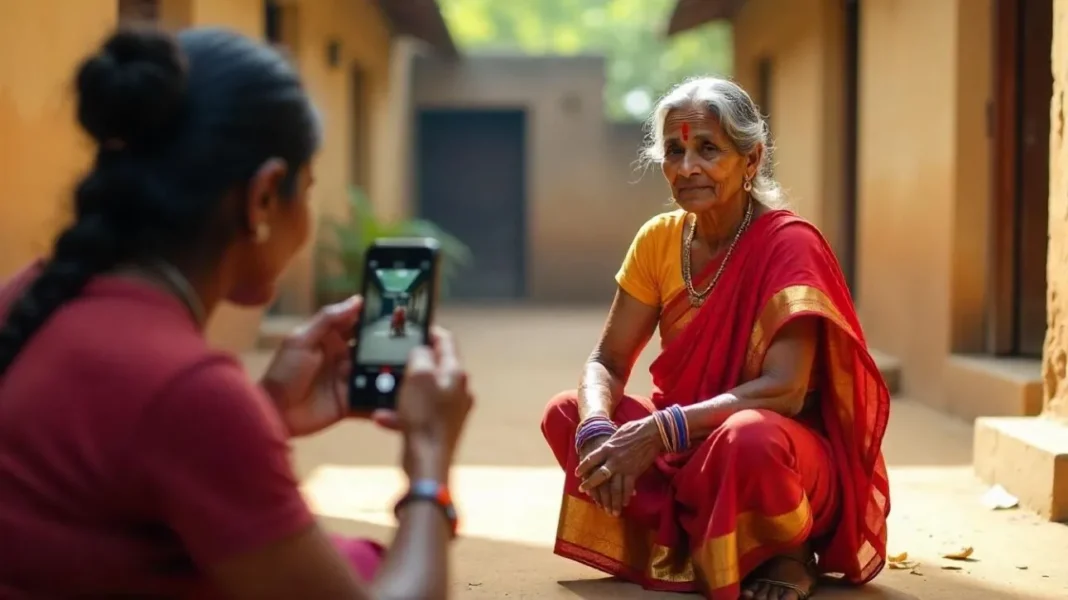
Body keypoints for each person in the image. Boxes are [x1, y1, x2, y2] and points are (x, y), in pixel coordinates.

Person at [0, 27, 472, 599]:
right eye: (311, 188)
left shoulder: (29, 293)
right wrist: (429, 468)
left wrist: (264, 410)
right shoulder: (185, 389)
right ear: (265, 197)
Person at [540, 76, 890, 600]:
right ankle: (690, 546)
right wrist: (595, 426)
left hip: (771, 457)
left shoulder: (788, 244)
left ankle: (784, 551)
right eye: (674, 151)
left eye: (708, 149)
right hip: (684, 452)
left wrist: (659, 431)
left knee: (749, 435)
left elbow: (784, 391)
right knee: (566, 411)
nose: (687, 168)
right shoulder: (659, 239)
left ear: (752, 159)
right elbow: (608, 360)